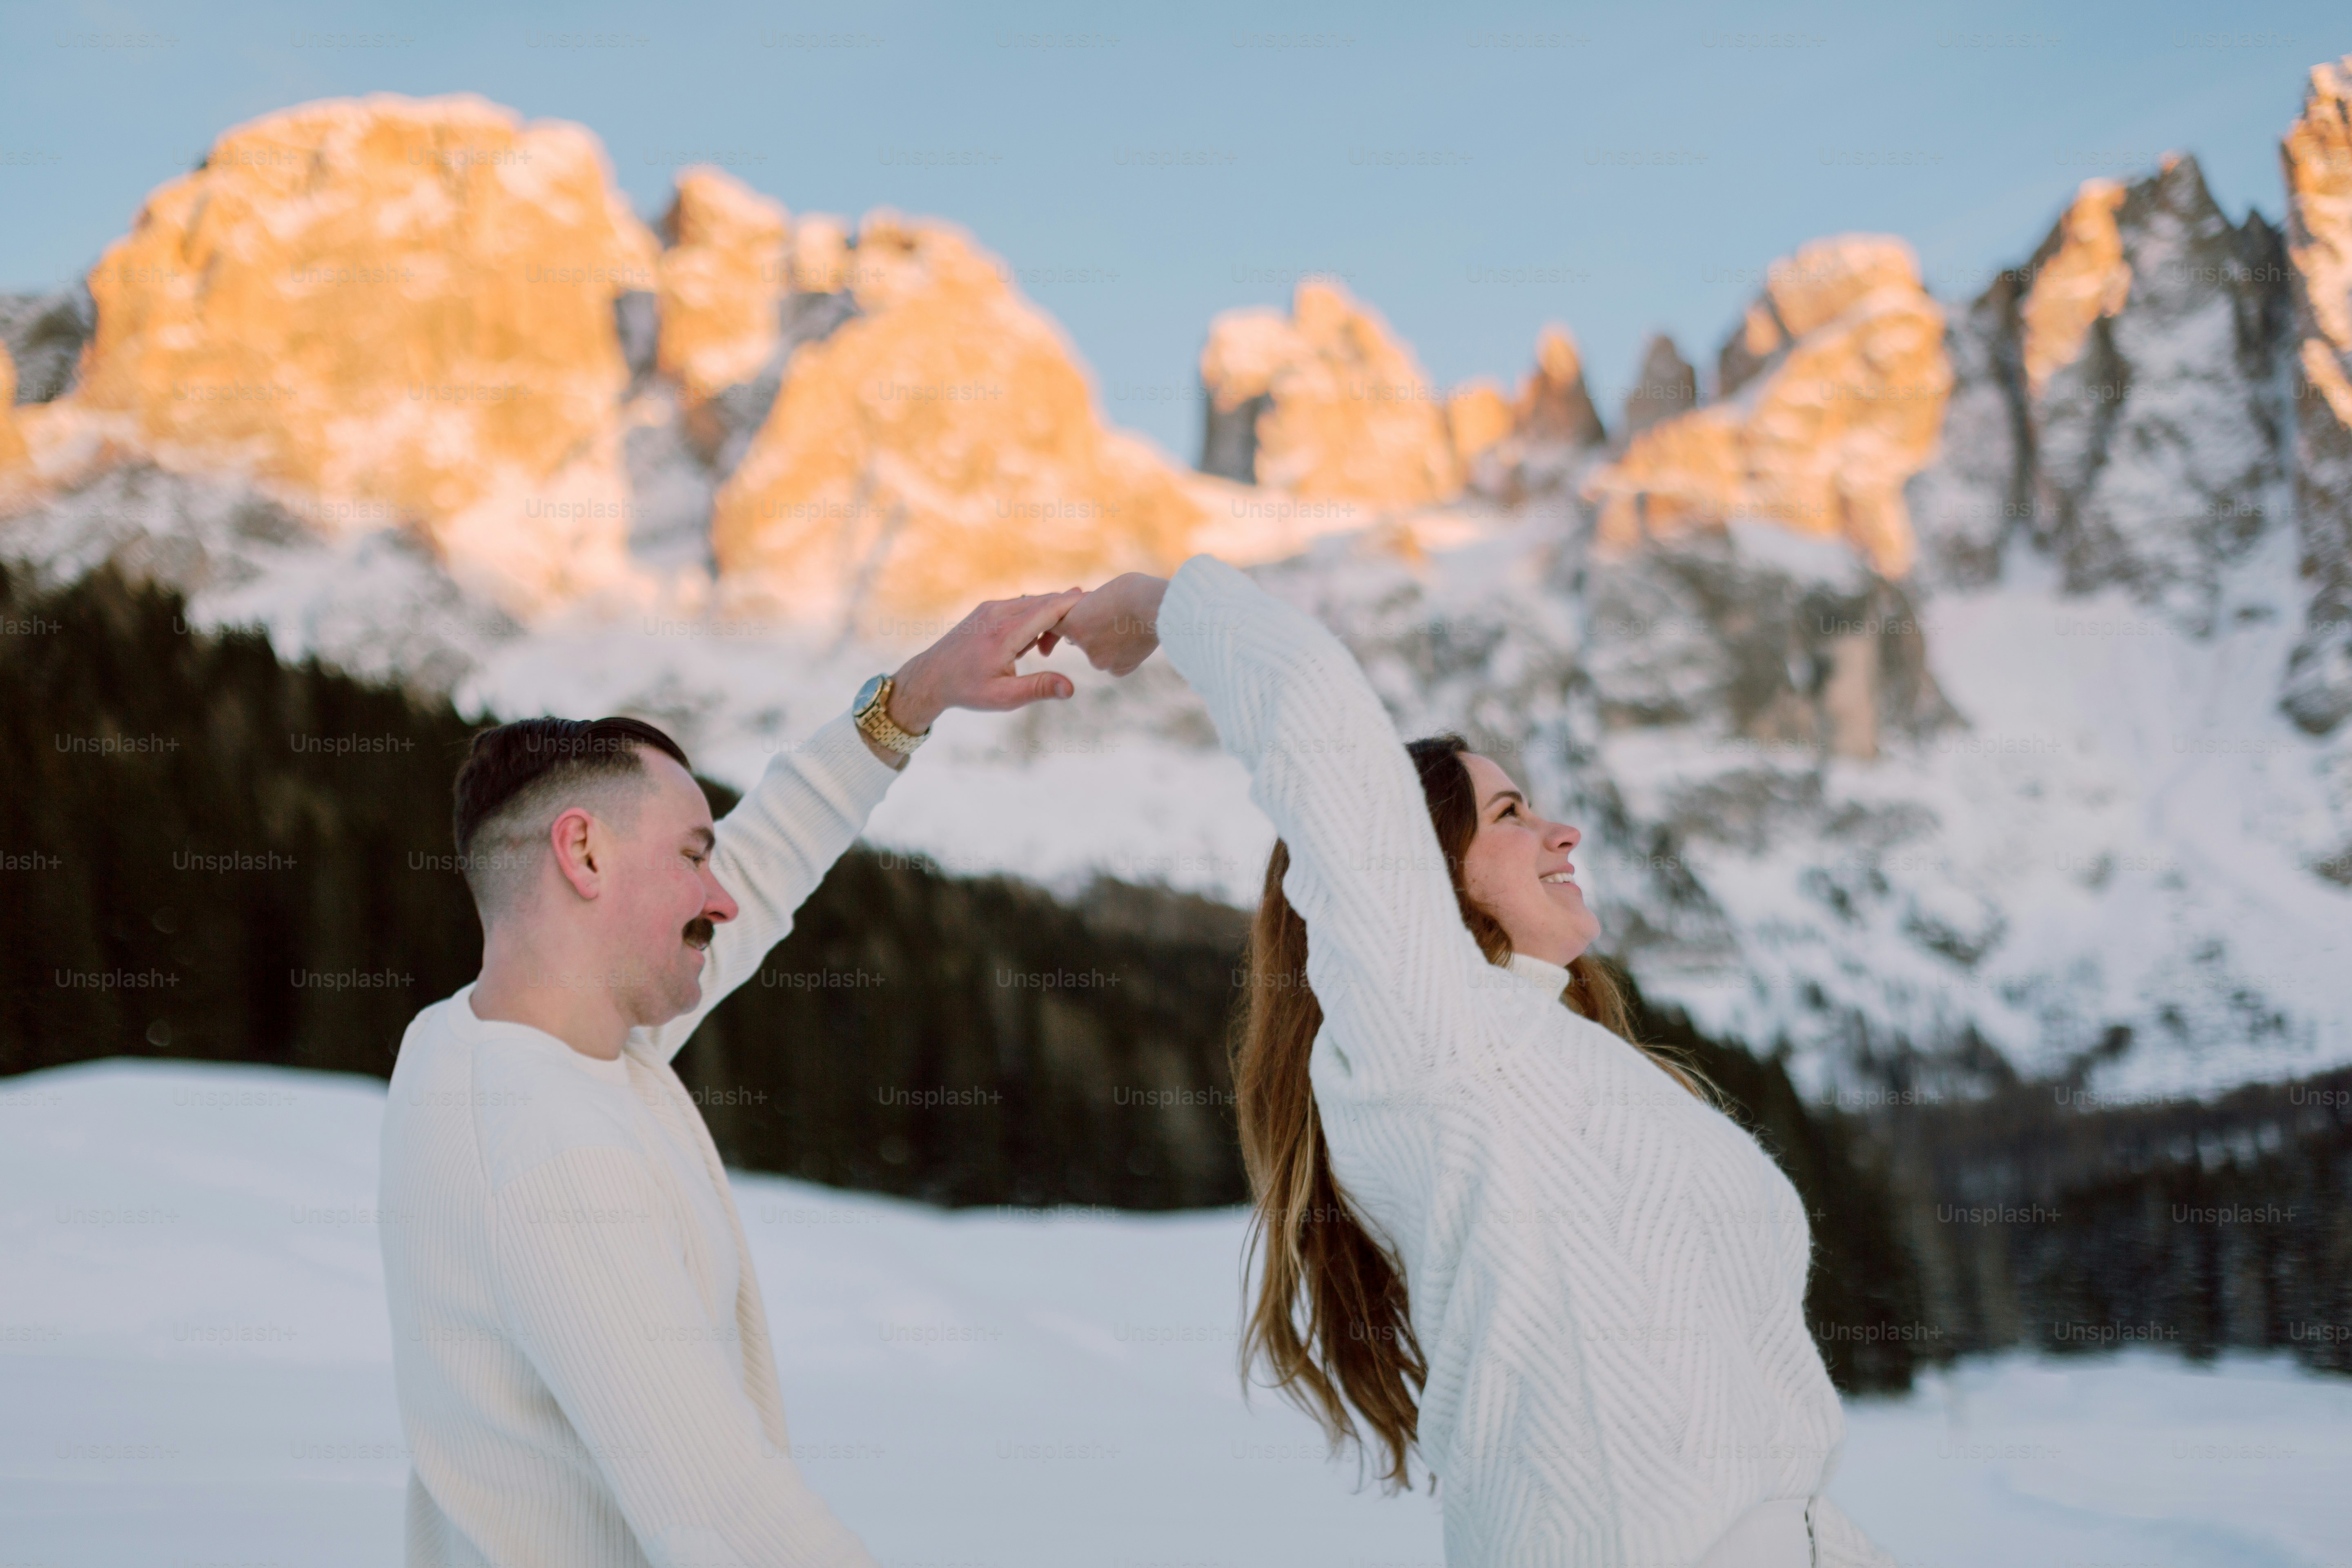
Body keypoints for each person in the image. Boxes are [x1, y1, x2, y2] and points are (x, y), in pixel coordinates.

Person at [1047, 561, 1897, 1568]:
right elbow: (1318, 725)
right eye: (1508, 816)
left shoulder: (1556, 1056)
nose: (1562, 831)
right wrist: (1157, 606)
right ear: (1422, 878)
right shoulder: (1432, 1036)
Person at [376, 590, 1083, 1568]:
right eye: (693, 856)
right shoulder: (551, 1159)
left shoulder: (478, 1045)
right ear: (582, 852)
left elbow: (759, 873)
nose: (719, 896)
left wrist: (910, 701)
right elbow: (730, 1523)